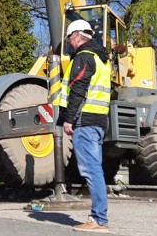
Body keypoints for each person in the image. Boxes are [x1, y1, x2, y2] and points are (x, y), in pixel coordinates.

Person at [59, 19, 112, 233]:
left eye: (70, 38)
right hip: (98, 120)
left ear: (79, 36)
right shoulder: (101, 59)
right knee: (94, 168)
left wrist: (69, 119)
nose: (70, 43)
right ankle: (98, 217)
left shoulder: (83, 57)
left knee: (91, 169)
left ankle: (99, 220)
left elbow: (79, 90)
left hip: (85, 121)